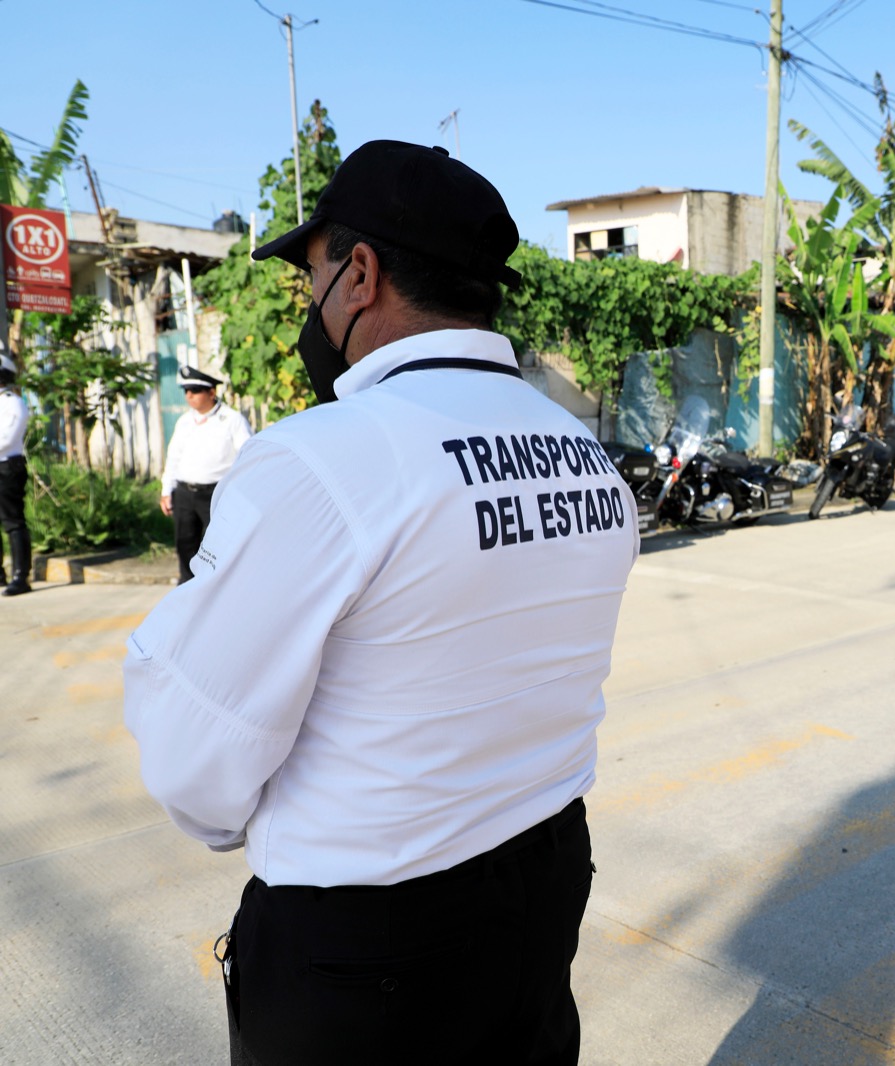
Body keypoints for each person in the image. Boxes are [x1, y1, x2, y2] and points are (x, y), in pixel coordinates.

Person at [122, 140, 639, 1065]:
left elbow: (193, 761)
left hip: (371, 954)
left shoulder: (321, 459)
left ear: (359, 274)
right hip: (544, 884)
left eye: (312, 276)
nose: (310, 305)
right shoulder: (584, 454)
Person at [160, 365, 253, 583]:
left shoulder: (232, 420)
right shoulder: (184, 421)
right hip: (184, 493)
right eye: (186, 391)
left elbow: (247, 456)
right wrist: (166, 490)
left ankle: (219, 589)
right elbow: (173, 458)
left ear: (211, 392)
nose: (189, 396)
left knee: (219, 548)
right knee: (185, 545)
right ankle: (187, 591)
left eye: (195, 390)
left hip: (216, 493)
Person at [0, 352, 30, 597]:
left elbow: (7, 439)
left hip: (7, 468)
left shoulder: (13, 403)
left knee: (13, 522)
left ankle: (21, 576)